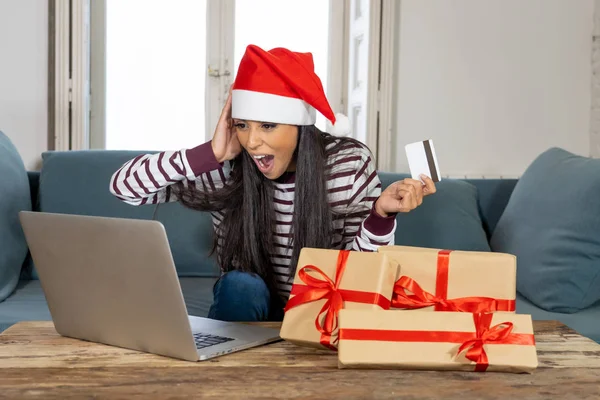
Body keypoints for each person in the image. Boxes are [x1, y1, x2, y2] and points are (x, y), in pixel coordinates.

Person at [109, 44, 437, 322]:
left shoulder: (344, 165)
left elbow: (362, 273)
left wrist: (380, 215)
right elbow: (123, 187)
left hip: (323, 310)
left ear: (299, 127)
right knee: (240, 285)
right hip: (249, 309)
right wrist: (208, 153)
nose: (251, 142)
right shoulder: (227, 166)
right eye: (241, 125)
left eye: (267, 126)